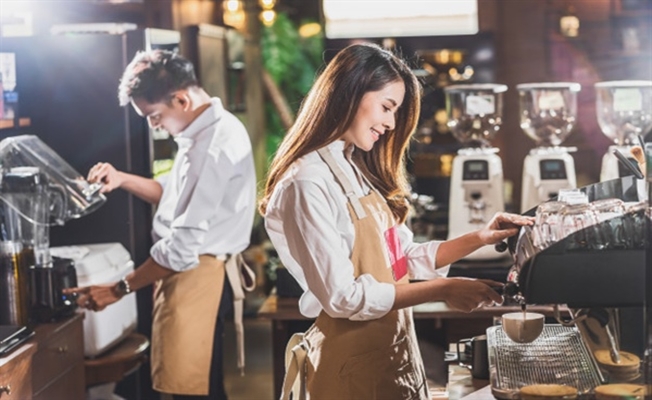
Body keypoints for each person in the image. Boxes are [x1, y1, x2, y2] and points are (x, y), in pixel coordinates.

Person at [259, 43, 534, 399]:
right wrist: (443, 289)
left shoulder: (355, 170)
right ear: (350, 92)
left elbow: (403, 259)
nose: (390, 124)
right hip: (349, 371)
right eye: (387, 107)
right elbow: (344, 298)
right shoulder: (307, 183)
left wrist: (479, 237)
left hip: (394, 355)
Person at [65, 50, 257, 400]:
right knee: (200, 388)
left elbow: (182, 247)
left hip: (199, 275)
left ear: (181, 99)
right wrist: (122, 178)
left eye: (154, 116)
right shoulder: (204, 130)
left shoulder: (210, 147)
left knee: (195, 393)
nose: (153, 125)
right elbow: (173, 196)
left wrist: (119, 289)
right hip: (192, 272)